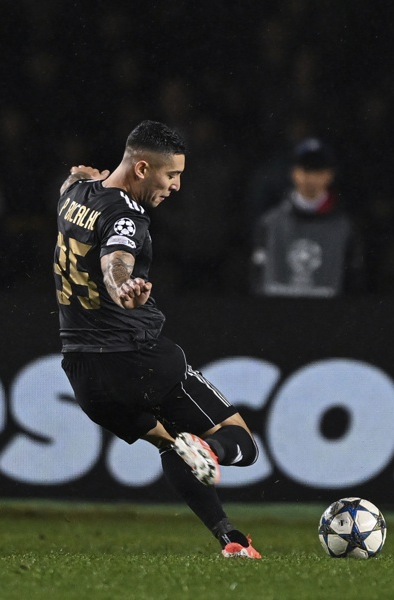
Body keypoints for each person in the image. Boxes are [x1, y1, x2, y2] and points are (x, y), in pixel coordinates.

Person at [54, 120, 261, 559]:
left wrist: (78, 176)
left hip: (83, 373)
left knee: (173, 444)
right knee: (241, 442)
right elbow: (116, 259)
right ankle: (210, 449)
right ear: (143, 168)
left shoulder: (74, 194)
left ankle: (232, 539)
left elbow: (71, 184)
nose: (177, 186)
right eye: (172, 175)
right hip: (137, 358)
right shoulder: (127, 214)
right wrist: (121, 286)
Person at [249, 137, 366, 297]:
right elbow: (257, 281)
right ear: (294, 173)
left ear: (329, 175)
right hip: (279, 312)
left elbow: (354, 283)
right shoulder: (270, 224)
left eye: (318, 170)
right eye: (306, 169)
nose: (311, 178)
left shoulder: (345, 227)